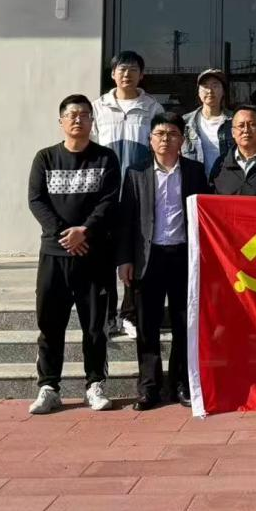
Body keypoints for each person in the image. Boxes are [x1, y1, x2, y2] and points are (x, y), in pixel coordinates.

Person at [27, 94, 120, 415]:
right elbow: (36, 200)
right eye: (72, 115)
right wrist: (65, 235)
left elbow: (109, 201)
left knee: (95, 327)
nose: (78, 120)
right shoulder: (45, 158)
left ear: (92, 121)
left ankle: (95, 384)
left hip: (94, 256)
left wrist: (86, 231)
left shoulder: (106, 158)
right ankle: (49, 387)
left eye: (84, 115)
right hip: (55, 255)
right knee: (50, 324)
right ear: (61, 121)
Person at [117, 112, 207, 411]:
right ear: (150, 140)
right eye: (159, 134)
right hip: (148, 257)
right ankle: (149, 387)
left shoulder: (195, 171)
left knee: (183, 323)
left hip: (183, 255)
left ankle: (181, 383)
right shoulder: (136, 173)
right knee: (147, 325)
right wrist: (125, 259)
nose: (165, 139)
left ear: (182, 140)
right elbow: (126, 220)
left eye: (172, 134)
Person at [91, 50, 163, 339]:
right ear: (112, 74)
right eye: (121, 69)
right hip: (106, 194)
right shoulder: (98, 107)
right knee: (105, 256)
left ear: (141, 75)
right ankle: (108, 316)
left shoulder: (152, 107)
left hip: (138, 192)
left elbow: (160, 148)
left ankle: (129, 314)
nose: (127, 74)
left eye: (133, 69)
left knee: (134, 254)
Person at [182, 68, 232, 180]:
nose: (210, 90)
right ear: (198, 92)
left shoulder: (235, 121)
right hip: (195, 181)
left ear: (223, 91)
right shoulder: (186, 123)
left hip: (226, 182)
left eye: (215, 85)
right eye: (205, 86)